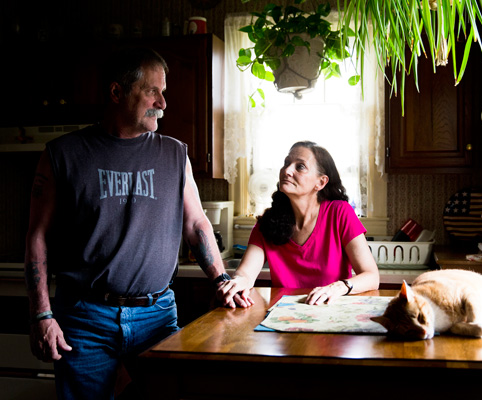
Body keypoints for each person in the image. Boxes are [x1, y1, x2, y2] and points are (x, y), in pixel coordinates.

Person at [24, 47, 229, 399]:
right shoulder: (63, 154)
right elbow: (37, 236)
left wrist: (222, 279)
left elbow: (196, 222)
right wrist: (42, 314)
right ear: (117, 92)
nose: (163, 103)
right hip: (84, 317)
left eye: (164, 92)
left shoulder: (175, 154)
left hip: (157, 316)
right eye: (152, 91)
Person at [217, 141, 380, 308]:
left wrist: (338, 287)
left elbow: (372, 277)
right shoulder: (268, 221)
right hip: (283, 318)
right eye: (287, 163)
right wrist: (239, 281)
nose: (287, 171)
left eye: (300, 167)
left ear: (321, 182)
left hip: (331, 314)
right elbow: (246, 273)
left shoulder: (340, 213)